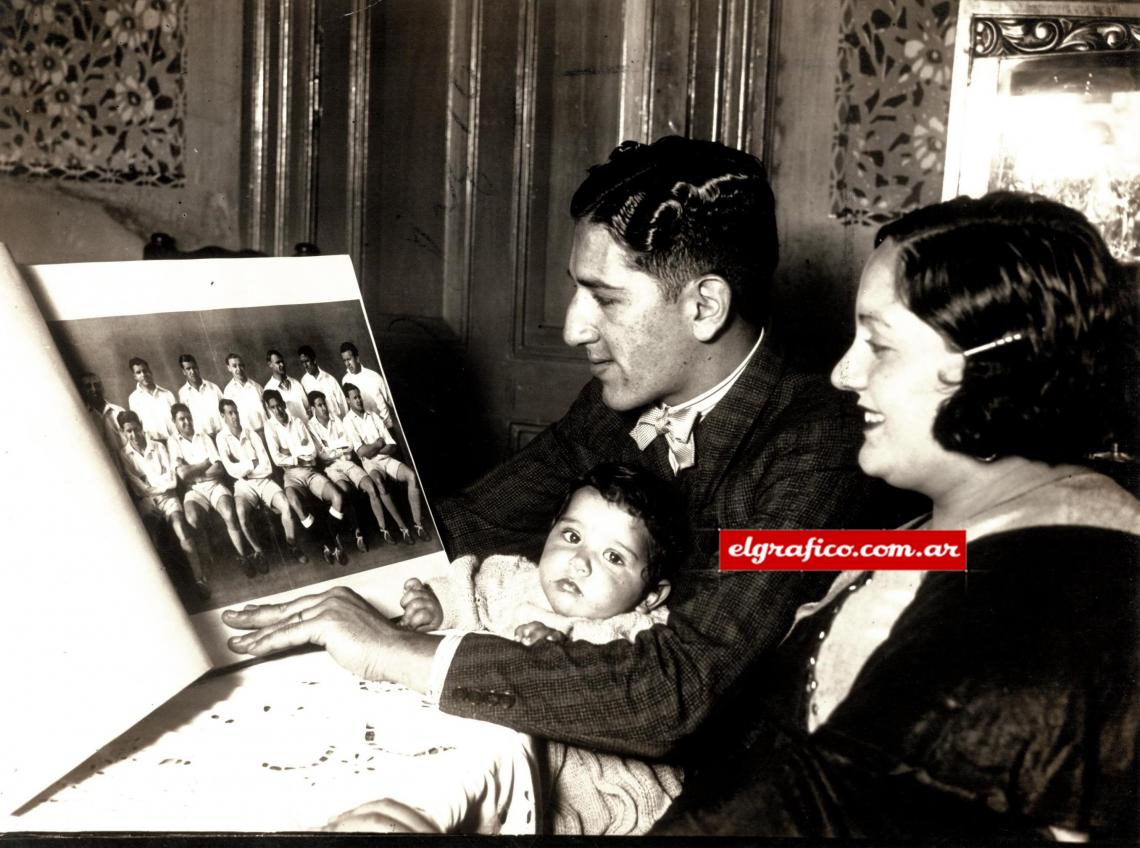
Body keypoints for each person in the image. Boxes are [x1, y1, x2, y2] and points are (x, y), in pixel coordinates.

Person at [224, 136, 870, 821]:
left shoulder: (817, 444)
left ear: (705, 305)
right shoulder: (618, 401)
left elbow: (674, 691)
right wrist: (287, 556)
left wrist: (398, 649)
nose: (571, 328)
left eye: (605, 298)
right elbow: (471, 522)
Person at [653, 192, 1140, 838]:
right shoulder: (971, 515)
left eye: (878, 345)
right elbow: (788, 556)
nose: (843, 373)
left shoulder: (1042, 592)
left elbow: (802, 809)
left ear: (989, 366)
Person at [399, 462, 684, 834]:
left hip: (600, 797)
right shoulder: (517, 580)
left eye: (613, 557)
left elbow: (632, 681)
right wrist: (439, 604)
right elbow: (473, 588)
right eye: (571, 536)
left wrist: (561, 655)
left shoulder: (637, 629)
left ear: (650, 596)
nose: (579, 562)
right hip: (493, 768)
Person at [118, 409, 209, 599]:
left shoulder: (159, 447)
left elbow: (172, 480)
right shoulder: (124, 455)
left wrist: (154, 486)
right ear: (123, 432)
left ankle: (200, 580)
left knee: (181, 528)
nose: (133, 435)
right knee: (153, 536)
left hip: (169, 498)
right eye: (128, 431)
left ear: (141, 427)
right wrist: (156, 488)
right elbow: (139, 488)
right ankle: (168, 589)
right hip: (147, 503)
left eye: (135, 429)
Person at [262, 388, 348, 565]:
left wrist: (290, 451)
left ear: (284, 405)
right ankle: (330, 545)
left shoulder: (298, 422)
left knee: (338, 497)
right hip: (291, 476)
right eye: (273, 408)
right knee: (294, 502)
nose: (277, 410)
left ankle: (329, 542)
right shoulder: (269, 427)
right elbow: (277, 459)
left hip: (310, 472)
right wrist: (298, 453)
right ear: (269, 409)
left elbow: (312, 451)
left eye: (279, 406)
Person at [215, 398, 304, 569]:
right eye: (230, 413)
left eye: (236, 412)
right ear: (223, 416)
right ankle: (258, 551)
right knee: (241, 514)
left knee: (285, 505)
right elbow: (230, 470)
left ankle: (292, 545)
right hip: (242, 485)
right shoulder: (221, 438)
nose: (235, 416)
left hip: (263, 480)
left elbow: (267, 467)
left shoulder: (251, 433)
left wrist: (243, 465)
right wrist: (251, 463)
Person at [308, 389, 399, 548]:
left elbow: (349, 445)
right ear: (312, 408)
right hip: (332, 468)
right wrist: (338, 449)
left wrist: (332, 449)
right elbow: (321, 455)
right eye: (319, 405)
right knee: (346, 490)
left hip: (349, 463)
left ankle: (384, 529)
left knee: (371, 486)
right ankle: (358, 533)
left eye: (324, 404)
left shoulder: (336, 419)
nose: (324, 408)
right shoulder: (310, 426)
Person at [167, 403, 250, 576]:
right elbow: (182, 474)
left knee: (229, 513)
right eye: (181, 419)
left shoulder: (203, 436)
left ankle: (243, 557)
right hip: (194, 490)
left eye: (188, 417)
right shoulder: (173, 442)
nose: (187, 422)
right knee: (192, 518)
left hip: (214, 486)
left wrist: (194, 472)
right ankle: (209, 562)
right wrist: (205, 463)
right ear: (174, 422)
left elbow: (219, 469)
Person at [343, 382, 427, 544]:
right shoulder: (348, 421)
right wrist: (378, 444)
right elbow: (362, 452)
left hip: (386, 459)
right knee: (379, 483)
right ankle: (403, 529)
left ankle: (418, 525)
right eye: (354, 398)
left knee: (412, 476)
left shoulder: (373, 415)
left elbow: (392, 446)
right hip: (371, 465)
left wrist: (374, 448)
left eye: (359, 396)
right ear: (348, 400)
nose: (359, 400)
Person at [339, 341, 393, 427]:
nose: (347, 364)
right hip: (369, 431)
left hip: (387, 426)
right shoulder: (345, 380)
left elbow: (391, 402)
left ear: (357, 358)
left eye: (349, 359)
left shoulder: (374, 376)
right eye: (344, 360)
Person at [78, 370, 126, 469]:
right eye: (88, 386)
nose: (93, 389)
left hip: (129, 464)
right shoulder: (84, 418)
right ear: (82, 390)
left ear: (102, 387)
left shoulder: (118, 411)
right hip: (103, 468)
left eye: (97, 385)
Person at [126, 356, 176, 444]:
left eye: (145, 371)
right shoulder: (133, 399)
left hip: (175, 442)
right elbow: (137, 426)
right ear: (135, 377)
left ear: (150, 372)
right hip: (154, 445)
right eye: (138, 372)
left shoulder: (167, 394)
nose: (143, 375)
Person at [177, 353, 225, 437]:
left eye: (194, 367)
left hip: (222, 435)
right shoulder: (183, 394)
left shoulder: (213, 387)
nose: (192, 371)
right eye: (188, 369)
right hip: (202, 439)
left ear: (198, 368)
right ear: (184, 372)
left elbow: (225, 411)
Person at [299, 345, 349, 420]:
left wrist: (344, 422)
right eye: (302, 362)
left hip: (338, 422)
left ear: (314, 360)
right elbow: (308, 408)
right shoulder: (304, 382)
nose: (305, 365)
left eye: (307, 361)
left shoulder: (330, 379)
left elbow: (342, 403)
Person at [222, 353, 266, 435]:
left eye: (241, 365)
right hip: (248, 435)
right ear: (229, 368)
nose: (238, 369)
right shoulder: (228, 392)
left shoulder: (256, 387)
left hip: (266, 431)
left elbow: (267, 410)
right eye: (234, 366)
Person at [264, 349, 311, 422]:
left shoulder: (295, 383)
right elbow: (274, 419)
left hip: (307, 428)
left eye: (282, 362)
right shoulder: (268, 389)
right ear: (270, 364)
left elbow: (308, 408)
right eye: (278, 362)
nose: (282, 365)